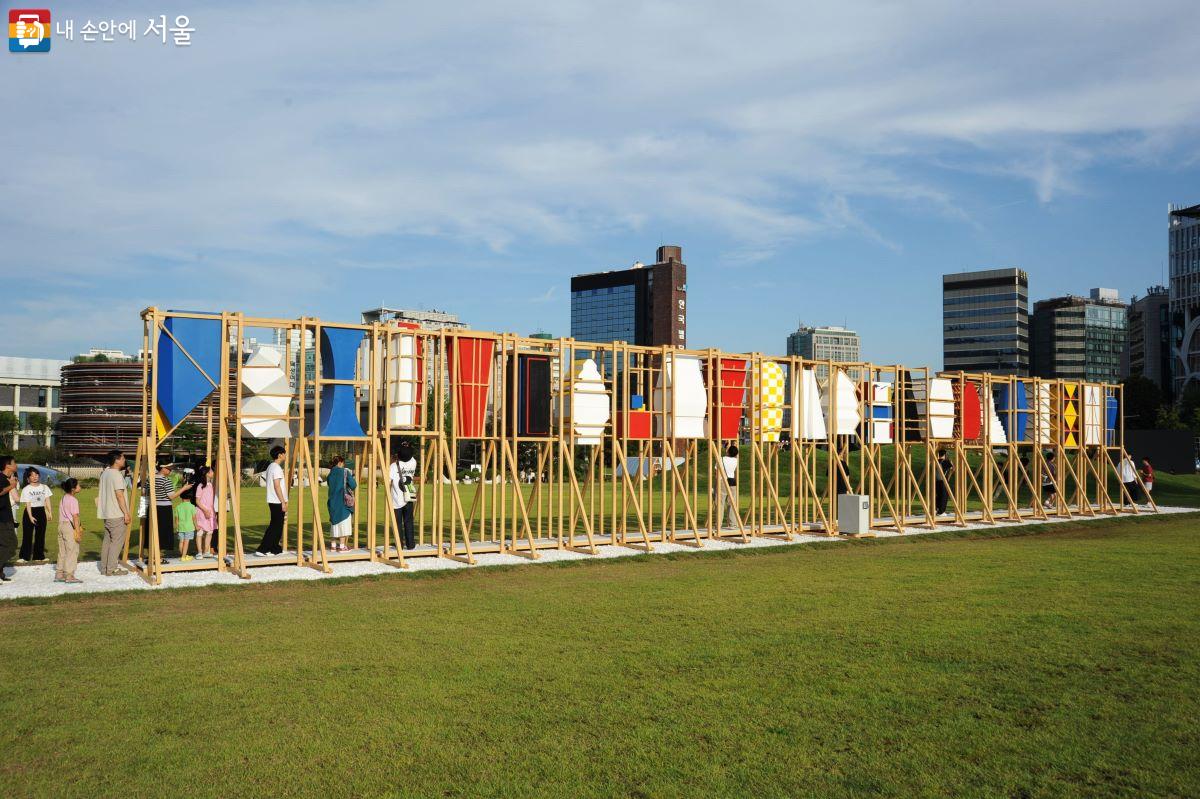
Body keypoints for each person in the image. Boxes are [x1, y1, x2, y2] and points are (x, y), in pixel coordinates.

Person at [96, 449, 131, 576]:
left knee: (107, 541)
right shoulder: (116, 475)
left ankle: (104, 567)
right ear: (116, 460)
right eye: (122, 458)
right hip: (116, 513)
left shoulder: (105, 473)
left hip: (107, 513)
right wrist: (126, 513)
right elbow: (119, 495)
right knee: (116, 542)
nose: (124, 460)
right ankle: (111, 568)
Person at [148, 462, 185, 561]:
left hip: (152, 507)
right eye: (169, 468)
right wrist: (183, 488)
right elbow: (172, 496)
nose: (170, 470)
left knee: (152, 531)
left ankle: (152, 556)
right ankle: (158, 557)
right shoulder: (166, 480)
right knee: (163, 533)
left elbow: (145, 492)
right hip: (164, 508)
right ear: (162, 468)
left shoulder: (150, 478)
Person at [255, 446, 288, 556]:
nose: (285, 455)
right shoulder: (276, 468)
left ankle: (275, 549)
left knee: (277, 525)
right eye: (284, 453)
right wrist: (283, 502)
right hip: (277, 501)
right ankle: (262, 549)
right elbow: (277, 486)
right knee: (275, 526)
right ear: (280, 455)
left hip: (273, 500)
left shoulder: (271, 466)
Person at [18, 466, 53, 562]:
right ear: (28, 478)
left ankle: (39, 556)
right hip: (30, 512)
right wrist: (30, 516)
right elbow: (28, 504)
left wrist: (50, 512)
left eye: (36, 474)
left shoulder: (44, 487)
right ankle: (24, 557)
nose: (35, 477)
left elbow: (47, 500)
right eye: (32, 475)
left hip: (41, 511)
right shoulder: (26, 489)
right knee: (27, 535)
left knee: (40, 535)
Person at [389, 442, 418, 550]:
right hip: (409, 496)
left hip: (397, 498)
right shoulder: (413, 462)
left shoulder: (393, 466)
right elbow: (409, 455)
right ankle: (410, 544)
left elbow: (388, 480)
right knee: (409, 522)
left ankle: (399, 545)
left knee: (397, 524)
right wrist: (407, 446)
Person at [326, 455, 357, 552]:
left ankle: (333, 545)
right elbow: (353, 485)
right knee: (344, 522)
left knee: (334, 523)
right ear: (340, 462)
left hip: (332, 501)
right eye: (343, 463)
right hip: (343, 501)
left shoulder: (330, 474)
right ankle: (342, 546)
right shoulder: (345, 471)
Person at [55, 478, 84, 584]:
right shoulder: (73, 500)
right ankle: (69, 575)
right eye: (78, 485)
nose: (80, 486)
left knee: (62, 550)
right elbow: (75, 517)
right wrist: (78, 532)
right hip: (69, 527)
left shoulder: (63, 498)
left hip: (61, 525)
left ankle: (59, 573)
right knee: (72, 550)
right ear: (73, 489)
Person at [0, 456, 18, 583]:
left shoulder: (6, 479)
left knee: (3, 545)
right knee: (11, 545)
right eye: (14, 463)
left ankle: (1, 572)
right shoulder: (1, 478)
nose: (16, 465)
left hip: (6, 517)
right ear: (8, 465)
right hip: (2, 519)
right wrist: (11, 486)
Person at [192, 465, 215, 559]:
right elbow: (197, 501)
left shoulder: (210, 485)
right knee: (200, 531)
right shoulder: (200, 486)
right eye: (211, 471)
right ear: (207, 474)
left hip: (210, 511)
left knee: (209, 531)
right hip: (202, 511)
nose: (213, 473)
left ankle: (206, 551)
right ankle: (199, 552)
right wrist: (205, 510)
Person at [715, 444, 739, 530]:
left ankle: (718, 525)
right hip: (732, 481)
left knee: (720, 504)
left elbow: (717, 472)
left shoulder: (721, 459)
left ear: (728, 451)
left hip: (722, 481)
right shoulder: (736, 460)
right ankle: (733, 524)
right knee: (732, 504)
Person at [174, 487, 197, 561]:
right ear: (190, 498)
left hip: (180, 528)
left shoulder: (178, 507)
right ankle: (183, 557)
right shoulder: (192, 507)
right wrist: (196, 526)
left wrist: (177, 527)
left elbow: (176, 519)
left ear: (181, 497)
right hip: (189, 528)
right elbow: (194, 518)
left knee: (181, 542)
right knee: (186, 542)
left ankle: (183, 555)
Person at [934, 449, 952, 516]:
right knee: (944, 496)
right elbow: (953, 468)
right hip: (943, 481)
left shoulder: (936, 461)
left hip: (937, 480)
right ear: (944, 455)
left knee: (938, 496)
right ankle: (941, 511)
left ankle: (936, 509)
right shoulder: (945, 462)